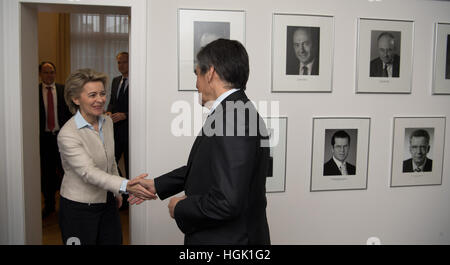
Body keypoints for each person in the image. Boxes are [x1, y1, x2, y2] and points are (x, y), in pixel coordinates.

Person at [129, 39, 271, 245]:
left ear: (210, 73)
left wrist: (179, 208)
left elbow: (226, 202)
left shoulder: (235, 118)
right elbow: (207, 167)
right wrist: (158, 185)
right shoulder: (234, 111)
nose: (196, 84)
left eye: (197, 74)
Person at [57, 68, 156, 245]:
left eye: (102, 93)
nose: (100, 100)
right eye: (92, 95)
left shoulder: (107, 121)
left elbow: (110, 162)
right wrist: (126, 185)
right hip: (78, 208)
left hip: (107, 203)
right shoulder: (68, 134)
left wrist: (116, 191)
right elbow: (88, 172)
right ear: (76, 99)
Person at [39, 61, 72, 218]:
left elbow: (71, 112)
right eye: (46, 72)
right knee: (47, 174)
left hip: (62, 137)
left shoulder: (62, 89)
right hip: (44, 139)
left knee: (67, 170)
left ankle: (68, 203)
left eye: (52, 72)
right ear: (40, 74)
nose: (49, 75)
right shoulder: (34, 91)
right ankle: (49, 205)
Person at [106, 52, 129, 180]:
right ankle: (121, 189)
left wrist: (125, 115)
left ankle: (129, 196)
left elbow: (141, 107)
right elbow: (112, 102)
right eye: (119, 62)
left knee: (130, 165)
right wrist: (109, 111)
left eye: (124, 62)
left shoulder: (137, 82)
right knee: (110, 162)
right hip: (115, 130)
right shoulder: (115, 81)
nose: (121, 65)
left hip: (130, 132)